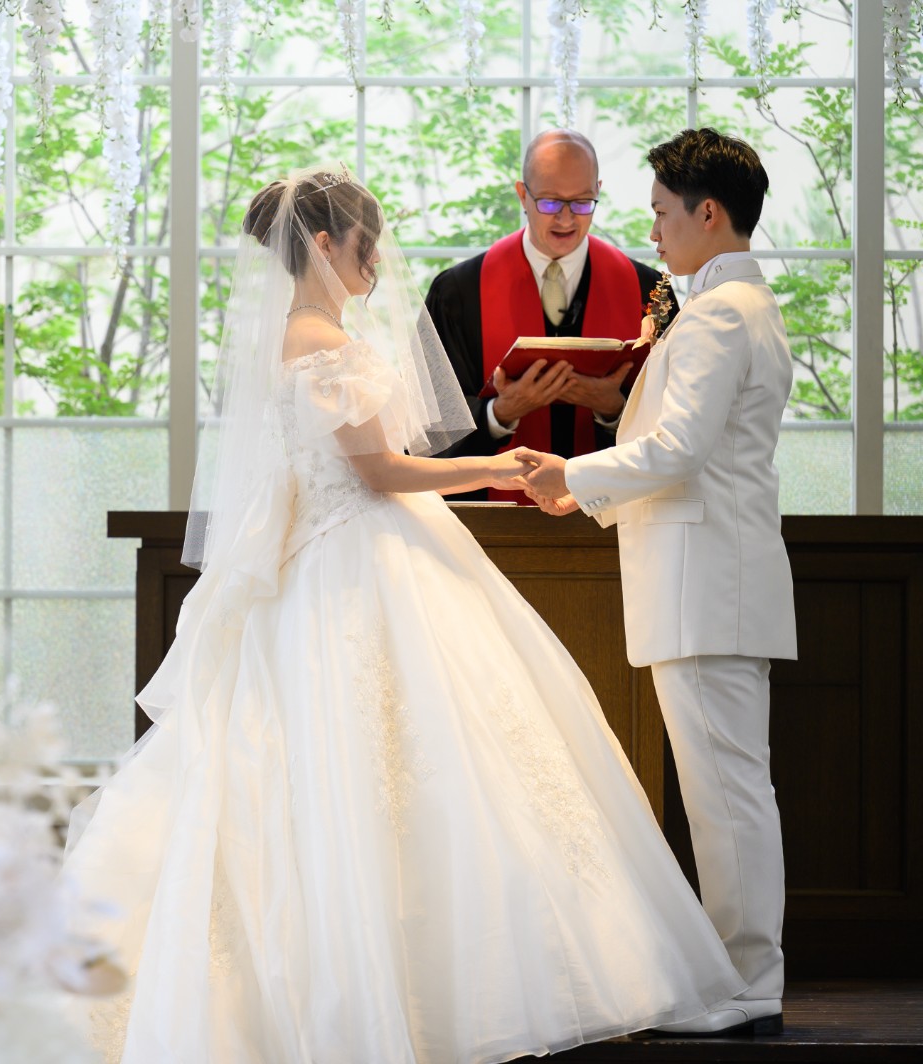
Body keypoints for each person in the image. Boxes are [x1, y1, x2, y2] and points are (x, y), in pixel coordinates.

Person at [62, 166, 745, 1064]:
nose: (375, 261)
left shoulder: (301, 337)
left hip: (342, 552)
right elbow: (378, 471)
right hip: (355, 560)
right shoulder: (318, 343)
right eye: (364, 244)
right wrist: (497, 466)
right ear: (323, 244)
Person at [520, 128, 796, 1039]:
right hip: (711, 580)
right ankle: (738, 975)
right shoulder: (733, 305)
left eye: (662, 214)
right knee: (726, 794)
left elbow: (678, 448)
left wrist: (572, 475)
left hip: (706, 583)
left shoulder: (720, 314)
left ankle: (749, 983)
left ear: (708, 212)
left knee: (727, 798)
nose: (654, 232)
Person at [424, 130, 662, 502]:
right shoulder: (458, 293)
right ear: (523, 194)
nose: (566, 219)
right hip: (490, 523)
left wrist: (614, 409)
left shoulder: (648, 291)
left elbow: (677, 430)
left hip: (612, 521)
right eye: (550, 202)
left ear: (598, 190)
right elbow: (428, 423)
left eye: (582, 202)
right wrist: (499, 414)